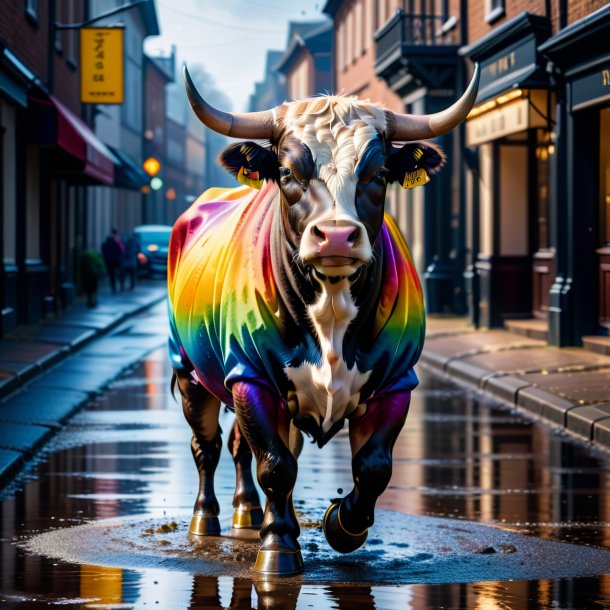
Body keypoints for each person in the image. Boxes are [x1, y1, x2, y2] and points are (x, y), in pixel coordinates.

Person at [102, 228, 124, 293]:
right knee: (118, 274)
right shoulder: (118, 241)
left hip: (110, 260)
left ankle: (114, 287)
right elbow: (122, 250)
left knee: (112, 275)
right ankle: (119, 286)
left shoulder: (109, 240)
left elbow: (104, 248)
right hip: (116, 260)